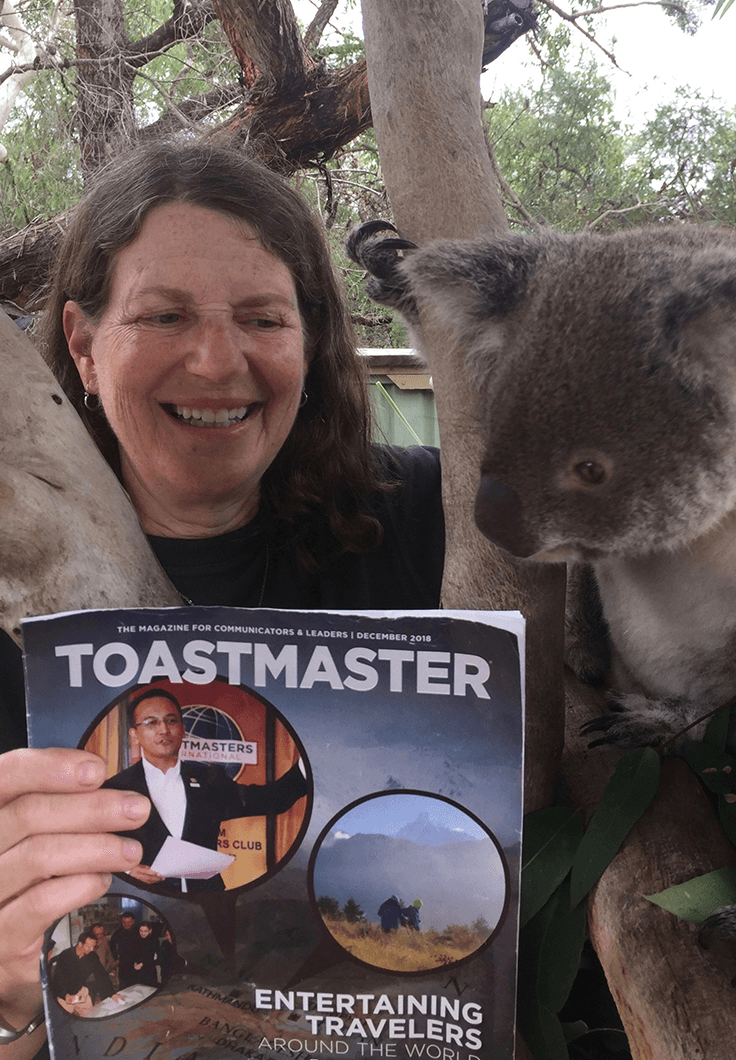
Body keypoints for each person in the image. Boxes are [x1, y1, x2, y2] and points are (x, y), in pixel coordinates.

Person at [0, 140, 444, 1059]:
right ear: (83, 346)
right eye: (164, 316)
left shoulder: (430, 524)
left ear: (313, 343)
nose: (215, 361)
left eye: (262, 319)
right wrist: (6, 997)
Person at [103, 687, 307, 892]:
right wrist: (127, 871)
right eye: (151, 722)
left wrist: (308, 766)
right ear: (134, 734)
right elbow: (96, 845)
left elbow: (272, 800)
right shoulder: (116, 788)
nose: (163, 729)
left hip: (210, 902)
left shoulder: (211, 780)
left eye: (171, 720)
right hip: (150, 901)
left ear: (183, 729)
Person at [50, 932, 121, 1016]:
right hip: (65, 994)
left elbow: (102, 975)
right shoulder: (66, 955)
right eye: (88, 946)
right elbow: (58, 978)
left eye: (93, 946)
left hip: (80, 992)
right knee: (63, 1021)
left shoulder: (92, 957)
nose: (91, 949)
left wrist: (112, 994)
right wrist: (65, 995)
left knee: (90, 1017)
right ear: (80, 944)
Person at [120, 923, 160, 989]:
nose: (143, 933)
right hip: (137, 971)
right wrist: (135, 962)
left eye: (145, 931)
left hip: (149, 970)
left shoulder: (154, 941)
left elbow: (153, 957)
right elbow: (133, 954)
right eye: (141, 931)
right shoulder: (136, 940)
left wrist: (142, 964)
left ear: (150, 931)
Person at [108, 914, 140, 988]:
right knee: (124, 986)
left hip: (137, 962)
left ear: (133, 921)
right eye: (124, 922)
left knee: (137, 986)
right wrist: (116, 958)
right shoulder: (118, 933)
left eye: (129, 922)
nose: (126, 924)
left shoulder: (139, 932)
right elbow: (112, 946)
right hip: (123, 963)